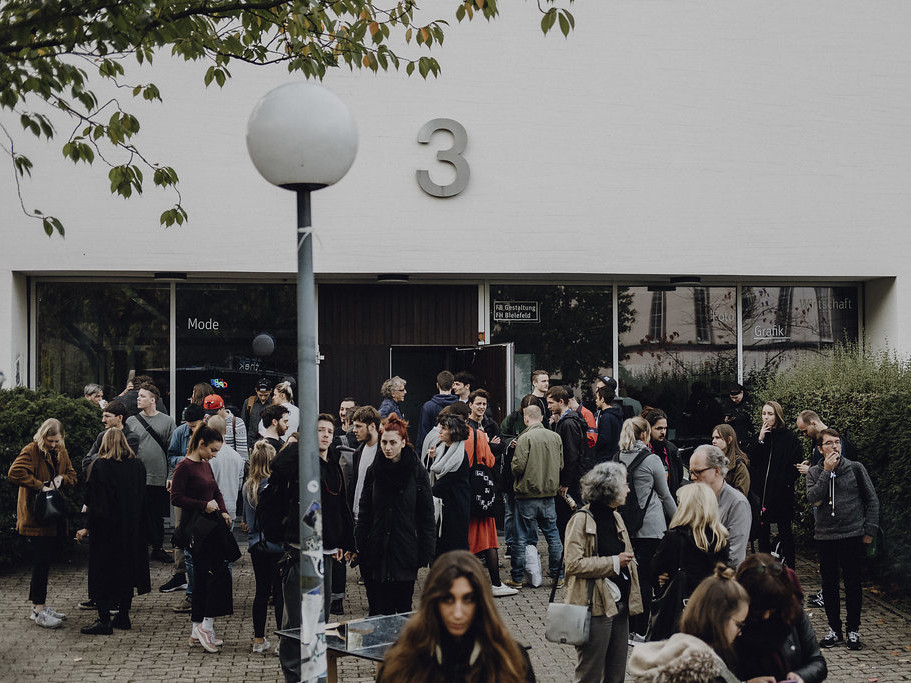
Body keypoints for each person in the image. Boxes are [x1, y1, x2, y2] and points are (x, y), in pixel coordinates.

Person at [377, 550, 534, 683]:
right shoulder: (401, 662)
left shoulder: (511, 661)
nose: (458, 613)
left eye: (468, 599)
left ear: (481, 603)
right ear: (433, 602)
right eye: (447, 599)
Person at [564, 461, 643, 683]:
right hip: (594, 605)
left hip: (620, 603)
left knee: (617, 674)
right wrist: (613, 562)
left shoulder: (616, 516)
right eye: (625, 484)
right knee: (590, 673)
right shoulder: (581, 520)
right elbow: (572, 564)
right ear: (610, 489)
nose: (628, 489)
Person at [806, 428, 879, 650]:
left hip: (852, 535)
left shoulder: (856, 468)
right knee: (829, 585)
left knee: (853, 585)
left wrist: (870, 530)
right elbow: (812, 498)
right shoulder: (814, 473)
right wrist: (826, 472)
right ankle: (834, 629)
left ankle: (853, 630)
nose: (835, 446)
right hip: (826, 537)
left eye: (837, 442)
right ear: (820, 449)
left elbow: (872, 500)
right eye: (829, 443)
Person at [356, 414, 435, 615]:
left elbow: (426, 514)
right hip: (377, 551)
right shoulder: (374, 470)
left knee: (401, 613)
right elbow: (364, 511)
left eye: (393, 442)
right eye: (384, 442)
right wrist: (360, 545)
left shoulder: (416, 471)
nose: (387, 447)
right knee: (377, 612)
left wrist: (426, 551)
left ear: (403, 442)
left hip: (404, 551)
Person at [75, 429, 151, 634]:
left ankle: (103, 620)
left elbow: (95, 502)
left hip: (106, 529)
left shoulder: (100, 466)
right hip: (131, 528)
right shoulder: (138, 466)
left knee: (102, 573)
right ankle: (123, 615)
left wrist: (86, 527)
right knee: (127, 572)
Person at [8, 418, 78, 629]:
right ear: (43, 436)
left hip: (54, 516)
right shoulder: (31, 450)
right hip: (36, 515)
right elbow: (15, 472)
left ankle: (41, 606)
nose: (54, 444)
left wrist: (61, 479)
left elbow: (73, 475)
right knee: (41, 562)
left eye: (57, 441)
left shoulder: (61, 451)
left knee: (46, 561)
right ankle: (38, 608)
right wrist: (40, 486)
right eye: (50, 440)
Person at [170, 424, 233, 653]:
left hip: (211, 526)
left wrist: (223, 510)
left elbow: (216, 490)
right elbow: (176, 497)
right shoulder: (184, 466)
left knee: (210, 576)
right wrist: (203, 505)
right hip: (196, 530)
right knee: (208, 577)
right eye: (213, 450)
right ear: (201, 444)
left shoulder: (205, 465)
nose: (214, 455)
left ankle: (199, 629)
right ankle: (203, 626)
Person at [628, 566, 749, 683]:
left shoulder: (677, 650)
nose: (740, 632)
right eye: (739, 624)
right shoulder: (708, 672)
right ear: (719, 619)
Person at [616, 416, 676, 636]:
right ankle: (644, 630)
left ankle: (629, 627)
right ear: (644, 435)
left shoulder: (616, 458)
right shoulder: (651, 461)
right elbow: (665, 495)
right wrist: (680, 520)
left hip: (625, 529)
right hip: (651, 528)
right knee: (648, 581)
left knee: (631, 578)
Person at [734, 553, 827, 683]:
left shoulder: (792, 612)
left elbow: (817, 661)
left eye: (772, 609)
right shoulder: (732, 624)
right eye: (759, 609)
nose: (766, 616)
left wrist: (801, 677)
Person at [651, 483, 730, 621]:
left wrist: (664, 578)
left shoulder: (675, 538)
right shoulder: (721, 540)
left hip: (679, 607)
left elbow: (655, 569)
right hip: (710, 607)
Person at [506, 404, 564, 590]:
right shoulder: (555, 437)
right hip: (549, 495)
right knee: (553, 536)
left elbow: (517, 467)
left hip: (527, 494)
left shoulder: (525, 437)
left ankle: (517, 578)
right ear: (541, 418)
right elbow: (561, 464)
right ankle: (558, 576)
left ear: (526, 418)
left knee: (520, 537)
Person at [747, 400, 801, 568]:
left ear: (778, 415)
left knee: (785, 531)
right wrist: (761, 439)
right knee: (763, 531)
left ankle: (790, 567)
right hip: (762, 493)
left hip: (781, 493)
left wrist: (784, 484)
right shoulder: (762, 436)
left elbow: (795, 464)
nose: (766, 417)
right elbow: (752, 461)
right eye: (764, 413)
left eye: (770, 414)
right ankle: (764, 568)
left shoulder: (790, 438)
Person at [126, 382, 176, 564]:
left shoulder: (168, 421)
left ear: (153, 399)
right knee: (137, 514)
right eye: (138, 396)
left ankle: (157, 548)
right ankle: (138, 549)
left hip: (159, 476)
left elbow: (172, 451)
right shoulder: (131, 421)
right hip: (137, 478)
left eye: (142, 396)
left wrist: (171, 475)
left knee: (157, 516)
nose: (138, 399)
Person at [242, 440, 284, 654]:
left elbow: (247, 521)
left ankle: (258, 639)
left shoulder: (248, 486)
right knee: (279, 594)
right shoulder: (276, 486)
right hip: (276, 545)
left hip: (256, 545)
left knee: (260, 592)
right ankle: (281, 641)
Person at [316, 413, 355, 619]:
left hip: (329, 544)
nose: (325, 435)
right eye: (321, 430)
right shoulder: (305, 464)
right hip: (307, 545)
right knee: (305, 604)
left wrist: (342, 540)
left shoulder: (334, 467)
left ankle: (319, 646)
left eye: (329, 431)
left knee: (324, 603)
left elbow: (340, 506)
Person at [688, 445, 752, 568]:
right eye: (691, 472)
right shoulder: (694, 498)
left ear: (717, 471)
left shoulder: (737, 503)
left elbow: (734, 556)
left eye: (698, 472)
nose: (692, 477)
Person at [429, 410, 472, 555]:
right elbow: (437, 472)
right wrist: (432, 459)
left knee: (455, 548)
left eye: (444, 428)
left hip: (456, 508)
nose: (439, 431)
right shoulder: (442, 448)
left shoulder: (459, 457)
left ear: (453, 432)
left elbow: (443, 484)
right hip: (444, 507)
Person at [644, 408, 685, 497]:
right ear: (649, 428)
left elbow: (678, 476)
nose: (663, 432)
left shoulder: (671, 449)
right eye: (659, 428)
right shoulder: (643, 450)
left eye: (665, 428)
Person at [417, 370, 459, 449]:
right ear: (453, 385)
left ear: (437, 385)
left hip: (433, 450)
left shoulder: (428, 406)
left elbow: (423, 434)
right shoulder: (459, 406)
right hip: (454, 450)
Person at [204, 393, 248, 462]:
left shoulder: (237, 423)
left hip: (231, 466)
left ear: (223, 407)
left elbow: (243, 456)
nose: (211, 417)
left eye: (214, 413)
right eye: (209, 413)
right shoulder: (204, 421)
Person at [711, 424, 751, 497]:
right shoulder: (712, 460)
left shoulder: (739, 465)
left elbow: (741, 493)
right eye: (713, 438)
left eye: (717, 437)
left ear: (729, 440)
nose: (713, 441)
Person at [241, 377, 273, 450]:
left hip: (268, 444)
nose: (263, 398)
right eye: (260, 395)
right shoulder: (249, 402)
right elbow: (243, 424)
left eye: (266, 395)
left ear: (271, 390)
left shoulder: (274, 404)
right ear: (256, 390)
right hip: (251, 444)